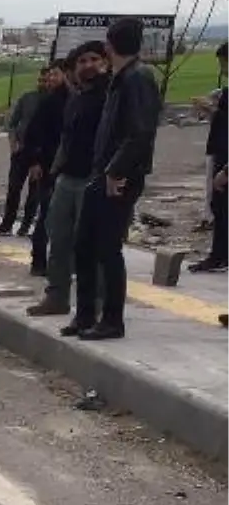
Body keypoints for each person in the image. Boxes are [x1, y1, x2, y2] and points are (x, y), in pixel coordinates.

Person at [63, 18, 161, 341]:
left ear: (109, 46)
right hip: (101, 174)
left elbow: (140, 134)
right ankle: (85, 315)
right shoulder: (122, 79)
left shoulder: (137, 79)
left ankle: (112, 320)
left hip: (118, 178)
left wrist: (116, 171)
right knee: (84, 245)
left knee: (108, 249)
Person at [26, 42, 108, 317]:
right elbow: (66, 138)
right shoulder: (75, 98)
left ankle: (93, 303)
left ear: (104, 62)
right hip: (67, 177)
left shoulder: (110, 96)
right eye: (82, 61)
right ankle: (57, 296)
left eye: (94, 59)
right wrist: (54, 171)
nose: (88, 65)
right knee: (58, 238)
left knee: (89, 245)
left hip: (94, 179)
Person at [20, 60, 70, 275]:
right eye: (50, 75)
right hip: (48, 166)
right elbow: (33, 134)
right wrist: (34, 161)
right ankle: (39, 261)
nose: (51, 79)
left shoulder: (75, 99)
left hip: (67, 167)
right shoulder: (50, 102)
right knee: (47, 214)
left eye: (55, 75)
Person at [0, 67, 50, 237]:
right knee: (14, 188)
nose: (43, 84)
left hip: (39, 154)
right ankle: (6, 224)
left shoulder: (53, 101)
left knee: (34, 192)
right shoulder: (27, 98)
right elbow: (12, 123)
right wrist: (13, 143)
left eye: (46, 80)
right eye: (41, 80)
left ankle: (25, 226)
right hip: (21, 151)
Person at [190, 42, 229, 271]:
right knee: (219, 206)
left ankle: (219, 255)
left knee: (222, 206)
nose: (221, 67)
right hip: (220, 152)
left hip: (226, 158)